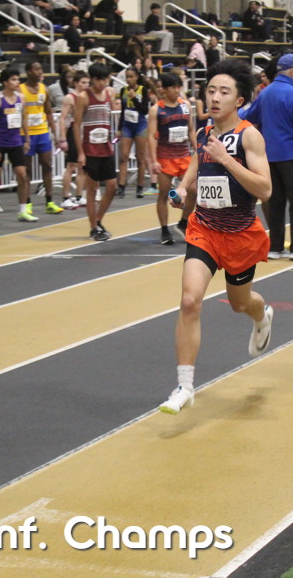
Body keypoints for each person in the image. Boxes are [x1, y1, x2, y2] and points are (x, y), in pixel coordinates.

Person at [158, 59, 274, 415]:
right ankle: (185, 386)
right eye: (211, 90)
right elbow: (195, 165)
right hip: (205, 229)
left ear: (239, 100)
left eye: (224, 92)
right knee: (190, 301)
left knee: (240, 303)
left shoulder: (249, 136)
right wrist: (181, 189)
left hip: (240, 235)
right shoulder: (203, 133)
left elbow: (265, 189)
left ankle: (262, 316)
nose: (215, 97)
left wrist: (226, 160)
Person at [244, 53, 293, 260]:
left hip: (269, 157)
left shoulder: (266, 93)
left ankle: (276, 246)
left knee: (275, 202)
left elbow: (248, 116)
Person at [147, 72, 195, 245]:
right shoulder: (156, 110)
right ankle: (164, 230)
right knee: (164, 193)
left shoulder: (185, 106)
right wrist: (153, 160)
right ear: (164, 89)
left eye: (178, 87)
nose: (176, 91)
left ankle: (183, 222)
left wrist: (198, 149)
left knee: (194, 189)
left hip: (184, 155)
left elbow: (191, 130)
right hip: (165, 157)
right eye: (173, 87)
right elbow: (152, 136)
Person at [73, 62, 118, 240]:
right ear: (92, 79)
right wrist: (80, 152)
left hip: (105, 147)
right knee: (92, 189)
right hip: (90, 149)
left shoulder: (109, 94)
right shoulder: (84, 97)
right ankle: (93, 227)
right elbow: (76, 125)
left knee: (112, 186)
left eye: (105, 79)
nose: (102, 83)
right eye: (99, 79)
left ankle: (98, 220)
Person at [0, 68, 38, 225]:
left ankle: (22, 210)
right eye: (14, 80)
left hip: (16, 142)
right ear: (5, 82)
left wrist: (27, 139)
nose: (17, 83)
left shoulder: (21, 98)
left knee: (22, 176)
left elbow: (23, 119)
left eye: (18, 79)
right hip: (0, 143)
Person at [20, 60, 62, 215]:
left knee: (47, 165)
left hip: (42, 132)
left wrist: (55, 134)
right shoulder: (20, 90)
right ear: (28, 72)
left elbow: (48, 112)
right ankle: (27, 203)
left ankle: (49, 202)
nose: (40, 72)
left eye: (41, 69)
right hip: (26, 134)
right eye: (36, 69)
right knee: (27, 169)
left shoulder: (44, 89)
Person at [116, 67, 152, 199]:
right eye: (127, 77)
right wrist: (119, 128)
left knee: (140, 157)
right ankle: (121, 186)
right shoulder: (123, 91)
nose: (129, 79)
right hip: (127, 126)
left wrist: (134, 98)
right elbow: (122, 111)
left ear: (137, 77)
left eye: (131, 76)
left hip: (140, 126)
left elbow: (144, 110)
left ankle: (140, 187)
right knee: (123, 156)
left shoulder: (143, 90)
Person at [57, 69, 89, 209]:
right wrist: (63, 138)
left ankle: (79, 196)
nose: (86, 85)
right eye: (83, 82)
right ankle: (65, 197)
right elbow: (62, 118)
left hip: (84, 132)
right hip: (73, 132)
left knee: (83, 166)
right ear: (76, 83)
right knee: (71, 166)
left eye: (87, 82)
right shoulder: (70, 98)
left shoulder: (87, 97)